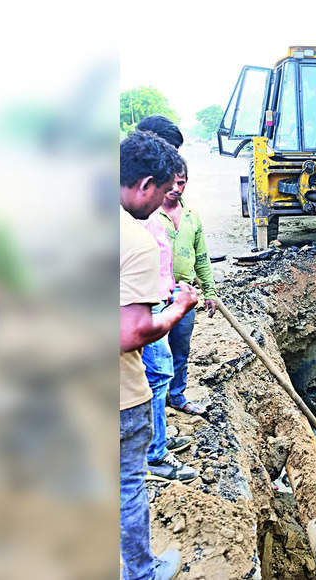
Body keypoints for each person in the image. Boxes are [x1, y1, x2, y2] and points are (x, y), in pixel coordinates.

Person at [119, 130, 196, 580]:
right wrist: (178, 309)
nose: (165, 200)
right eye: (164, 191)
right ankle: (140, 573)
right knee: (127, 487)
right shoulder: (136, 241)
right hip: (118, 394)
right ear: (146, 184)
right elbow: (131, 333)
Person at [135, 115, 218, 417]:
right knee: (153, 361)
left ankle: (176, 395)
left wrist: (209, 291)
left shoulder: (191, 216)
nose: (175, 185)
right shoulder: (143, 212)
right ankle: (151, 428)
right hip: (149, 298)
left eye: (180, 180)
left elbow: (202, 258)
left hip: (180, 293)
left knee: (177, 352)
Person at [138, 151, 195, 481]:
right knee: (157, 374)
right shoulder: (136, 216)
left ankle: (156, 440)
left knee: (157, 375)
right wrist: (174, 307)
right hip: (149, 303)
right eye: (168, 183)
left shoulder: (149, 214)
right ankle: (154, 454)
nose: (174, 189)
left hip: (159, 297)